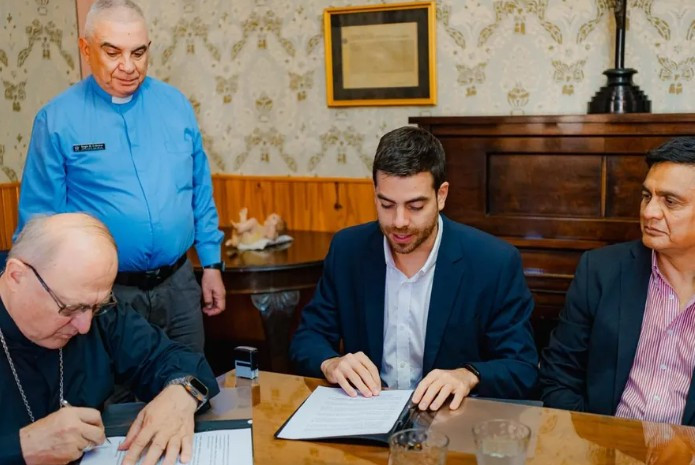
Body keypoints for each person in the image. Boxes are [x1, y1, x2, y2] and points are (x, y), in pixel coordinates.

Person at [15, 0, 225, 353]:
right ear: (86, 49)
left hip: (179, 288)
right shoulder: (56, 120)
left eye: (138, 53)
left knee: (190, 381)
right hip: (104, 296)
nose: (128, 66)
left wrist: (212, 263)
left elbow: (199, 190)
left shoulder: (176, 106)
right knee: (115, 389)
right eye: (112, 53)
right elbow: (38, 221)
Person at [290, 126, 538, 411]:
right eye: (386, 205)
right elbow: (308, 338)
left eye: (415, 206)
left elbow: (522, 368)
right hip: (368, 413)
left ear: (441, 195)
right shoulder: (348, 249)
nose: (399, 222)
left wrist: (469, 375)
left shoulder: (493, 261)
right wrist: (331, 363)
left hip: (449, 421)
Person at [0, 213, 219, 465]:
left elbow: (174, 359)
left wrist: (183, 393)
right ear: (16, 276)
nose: (84, 326)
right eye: (70, 308)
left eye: (96, 307)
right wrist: (22, 447)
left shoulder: (96, 311)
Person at [540, 136, 695, 426]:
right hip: (602, 441)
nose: (649, 212)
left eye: (670, 201)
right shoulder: (601, 270)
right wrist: (595, 439)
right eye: (647, 196)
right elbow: (559, 376)